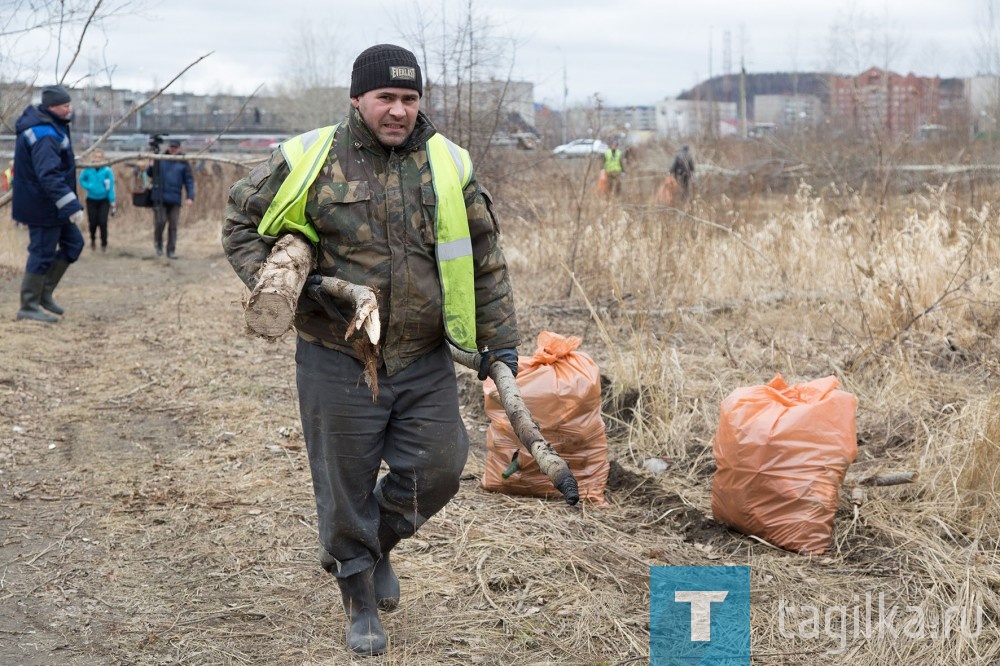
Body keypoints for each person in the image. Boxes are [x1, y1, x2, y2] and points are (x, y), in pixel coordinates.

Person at [222, 43, 520, 656]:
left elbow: (484, 261)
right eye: (386, 97)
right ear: (357, 98)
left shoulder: (449, 163)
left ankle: (373, 545)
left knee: (439, 468)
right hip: (337, 355)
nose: (398, 110)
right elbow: (238, 226)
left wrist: (500, 345)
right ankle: (358, 596)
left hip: (423, 355)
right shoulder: (308, 156)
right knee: (344, 483)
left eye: (410, 99)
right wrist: (287, 291)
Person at [11, 84, 85, 323]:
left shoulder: (53, 126)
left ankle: (44, 294)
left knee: (74, 243)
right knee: (42, 252)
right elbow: (49, 175)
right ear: (52, 107)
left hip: (53, 206)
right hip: (41, 205)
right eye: (65, 106)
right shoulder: (44, 134)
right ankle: (28, 305)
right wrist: (72, 205)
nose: (70, 108)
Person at [147, 138, 194, 259]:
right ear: (168, 147)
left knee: (173, 226)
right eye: (171, 147)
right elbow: (150, 173)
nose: (173, 149)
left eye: (175, 147)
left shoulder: (183, 162)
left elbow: (189, 180)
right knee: (160, 222)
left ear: (179, 148)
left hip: (175, 198)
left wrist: (190, 196)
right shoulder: (160, 159)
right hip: (160, 197)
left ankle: (171, 250)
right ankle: (158, 244)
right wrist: (151, 165)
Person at [78, 149, 117, 252]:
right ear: (92, 158)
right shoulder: (87, 169)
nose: (97, 159)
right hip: (91, 199)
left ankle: (104, 243)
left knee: (103, 222)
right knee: (93, 222)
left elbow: (111, 186)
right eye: (96, 157)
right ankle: (93, 240)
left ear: (103, 158)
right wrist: (88, 186)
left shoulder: (107, 170)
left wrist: (112, 201)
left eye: (99, 157)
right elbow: (81, 179)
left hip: (104, 200)